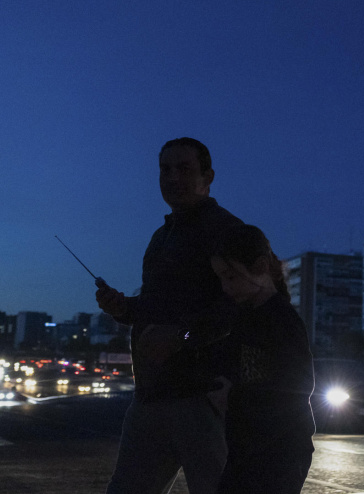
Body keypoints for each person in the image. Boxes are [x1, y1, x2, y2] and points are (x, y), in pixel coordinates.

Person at [96, 137, 244, 494]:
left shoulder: (228, 231)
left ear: (208, 176)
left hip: (202, 399)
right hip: (151, 397)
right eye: (165, 169)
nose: (172, 177)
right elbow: (156, 308)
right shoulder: (160, 238)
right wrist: (125, 309)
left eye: (184, 168)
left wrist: (182, 336)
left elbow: (241, 307)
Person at [210, 223, 316, 494]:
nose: (225, 287)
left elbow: (298, 386)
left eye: (231, 277)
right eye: (221, 278)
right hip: (248, 448)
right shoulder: (244, 316)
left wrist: (231, 397)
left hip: (279, 452)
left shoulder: (281, 319)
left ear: (259, 266)